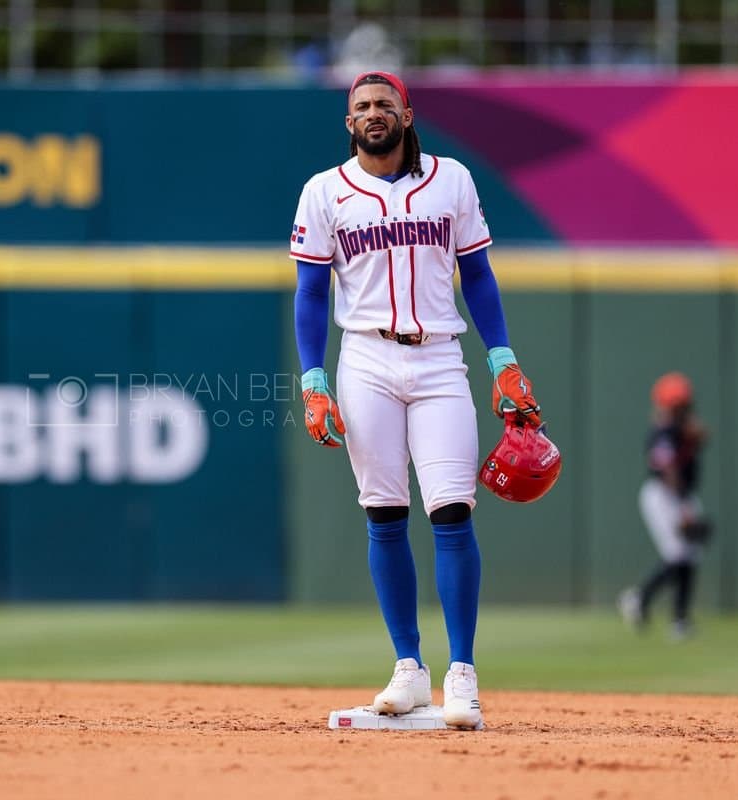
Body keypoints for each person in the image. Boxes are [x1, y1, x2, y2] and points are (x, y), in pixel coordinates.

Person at [289, 71, 544, 730]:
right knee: (384, 512)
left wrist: (503, 359)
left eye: (384, 104)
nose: (374, 113)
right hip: (366, 356)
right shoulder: (324, 191)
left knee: (452, 509)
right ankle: (409, 668)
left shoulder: (451, 178)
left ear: (407, 112)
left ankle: (462, 675)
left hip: (438, 357)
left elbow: (479, 275)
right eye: (361, 107)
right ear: (349, 123)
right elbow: (312, 292)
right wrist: (313, 379)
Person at [619, 372, 709, 641]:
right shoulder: (663, 432)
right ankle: (639, 599)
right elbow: (668, 469)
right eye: (678, 404)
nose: (683, 408)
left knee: (690, 555)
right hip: (663, 495)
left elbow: (697, 440)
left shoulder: (681, 430)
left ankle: (679, 620)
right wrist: (682, 506)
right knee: (678, 553)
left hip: (680, 494)